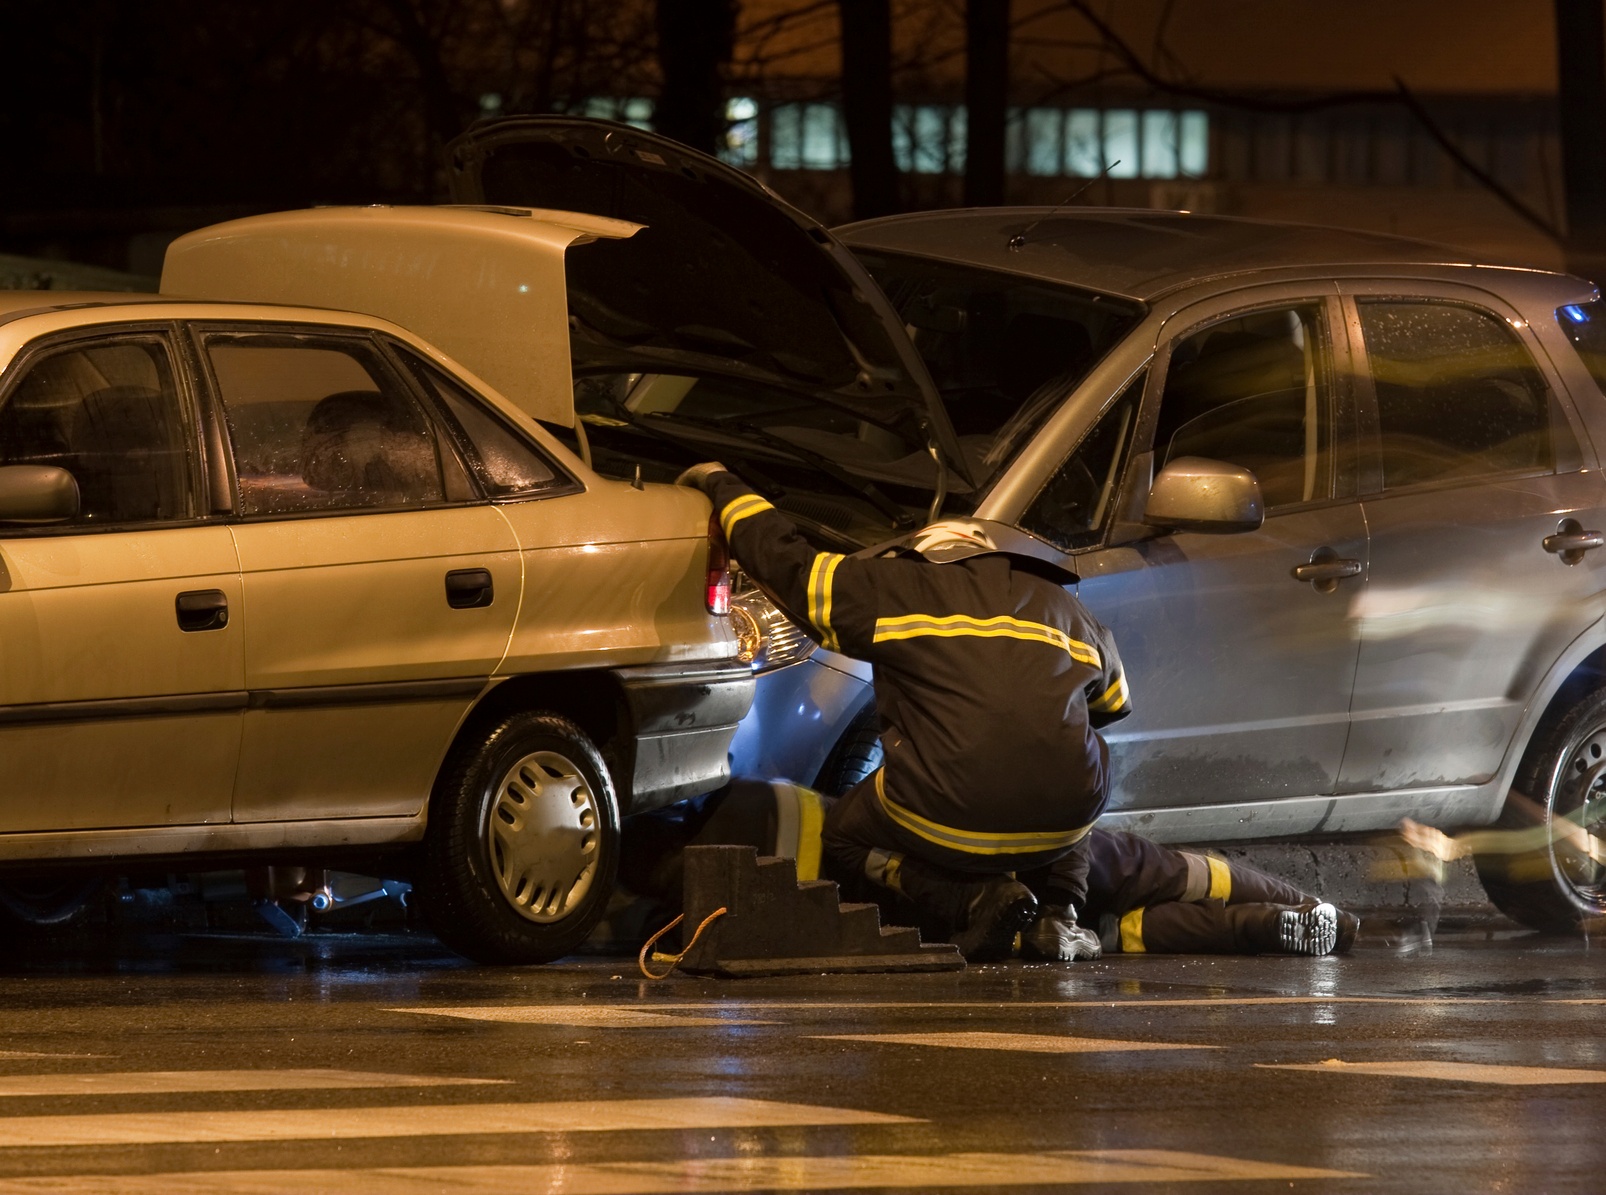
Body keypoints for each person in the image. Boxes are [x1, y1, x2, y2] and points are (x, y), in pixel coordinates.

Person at [676, 460, 1128, 961]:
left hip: (943, 819)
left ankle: (975, 898)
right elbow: (1110, 707)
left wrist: (721, 480)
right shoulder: (1070, 611)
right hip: (1064, 827)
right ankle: (1059, 916)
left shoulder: (893, 589)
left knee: (844, 836)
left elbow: (789, 566)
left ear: (922, 556)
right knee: (1075, 754)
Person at [621, 781, 1359, 957]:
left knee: (1126, 932)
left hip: (945, 907)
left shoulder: (690, 894)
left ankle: (1277, 926)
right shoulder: (739, 798)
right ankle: (1317, 915)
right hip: (987, 851)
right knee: (1157, 874)